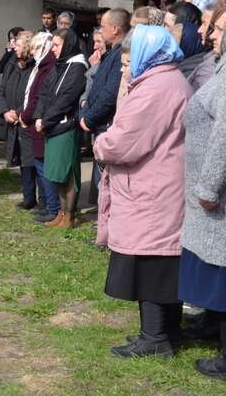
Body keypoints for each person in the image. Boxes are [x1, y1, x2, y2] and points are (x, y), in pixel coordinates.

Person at [94, 24, 189, 358]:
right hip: (160, 186)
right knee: (162, 263)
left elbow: (124, 142)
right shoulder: (168, 79)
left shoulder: (155, 88)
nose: (125, 66)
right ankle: (168, 332)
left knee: (149, 264)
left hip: (151, 190)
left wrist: (100, 142)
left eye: (129, 59)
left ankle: (154, 337)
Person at [178, 12, 226, 378]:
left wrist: (209, 188)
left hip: (217, 199)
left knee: (222, 276)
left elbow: (223, 139)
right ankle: (213, 329)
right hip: (209, 197)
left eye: (219, 29)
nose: (210, 35)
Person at [34, 28, 88, 228]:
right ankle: (61, 213)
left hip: (65, 127)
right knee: (56, 173)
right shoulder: (60, 64)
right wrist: (39, 116)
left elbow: (65, 100)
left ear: (68, 45)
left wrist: (46, 120)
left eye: (56, 45)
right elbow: (44, 93)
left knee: (67, 173)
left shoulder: (77, 68)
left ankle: (69, 215)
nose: (53, 49)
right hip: (52, 126)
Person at [80, 9, 129, 204]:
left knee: (106, 185)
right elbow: (96, 89)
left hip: (106, 125)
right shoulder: (112, 53)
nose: (101, 30)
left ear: (115, 29)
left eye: (103, 26)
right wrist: (86, 110)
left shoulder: (121, 54)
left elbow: (110, 94)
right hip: (98, 125)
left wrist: (89, 117)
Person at [20, 33, 61, 223]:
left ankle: (52, 207)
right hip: (33, 121)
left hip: (39, 122)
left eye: (37, 48)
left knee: (44, 168)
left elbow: (38, 98)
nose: (33, 52)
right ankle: (46, 204)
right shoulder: (41, 66)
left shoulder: (47, 67)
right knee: (39, 166)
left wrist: (25, 116)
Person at [0, 31, 36, 208]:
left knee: (30, 160)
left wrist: (19, 112)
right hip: (12, 120)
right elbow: (1, 91)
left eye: (18, 45)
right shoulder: (11, 65)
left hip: (26, 120)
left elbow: (34, 96)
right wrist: (5, 111)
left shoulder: (34, 68)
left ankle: (39, 199)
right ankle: (28, 197)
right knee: (21, 160)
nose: (14, 47)